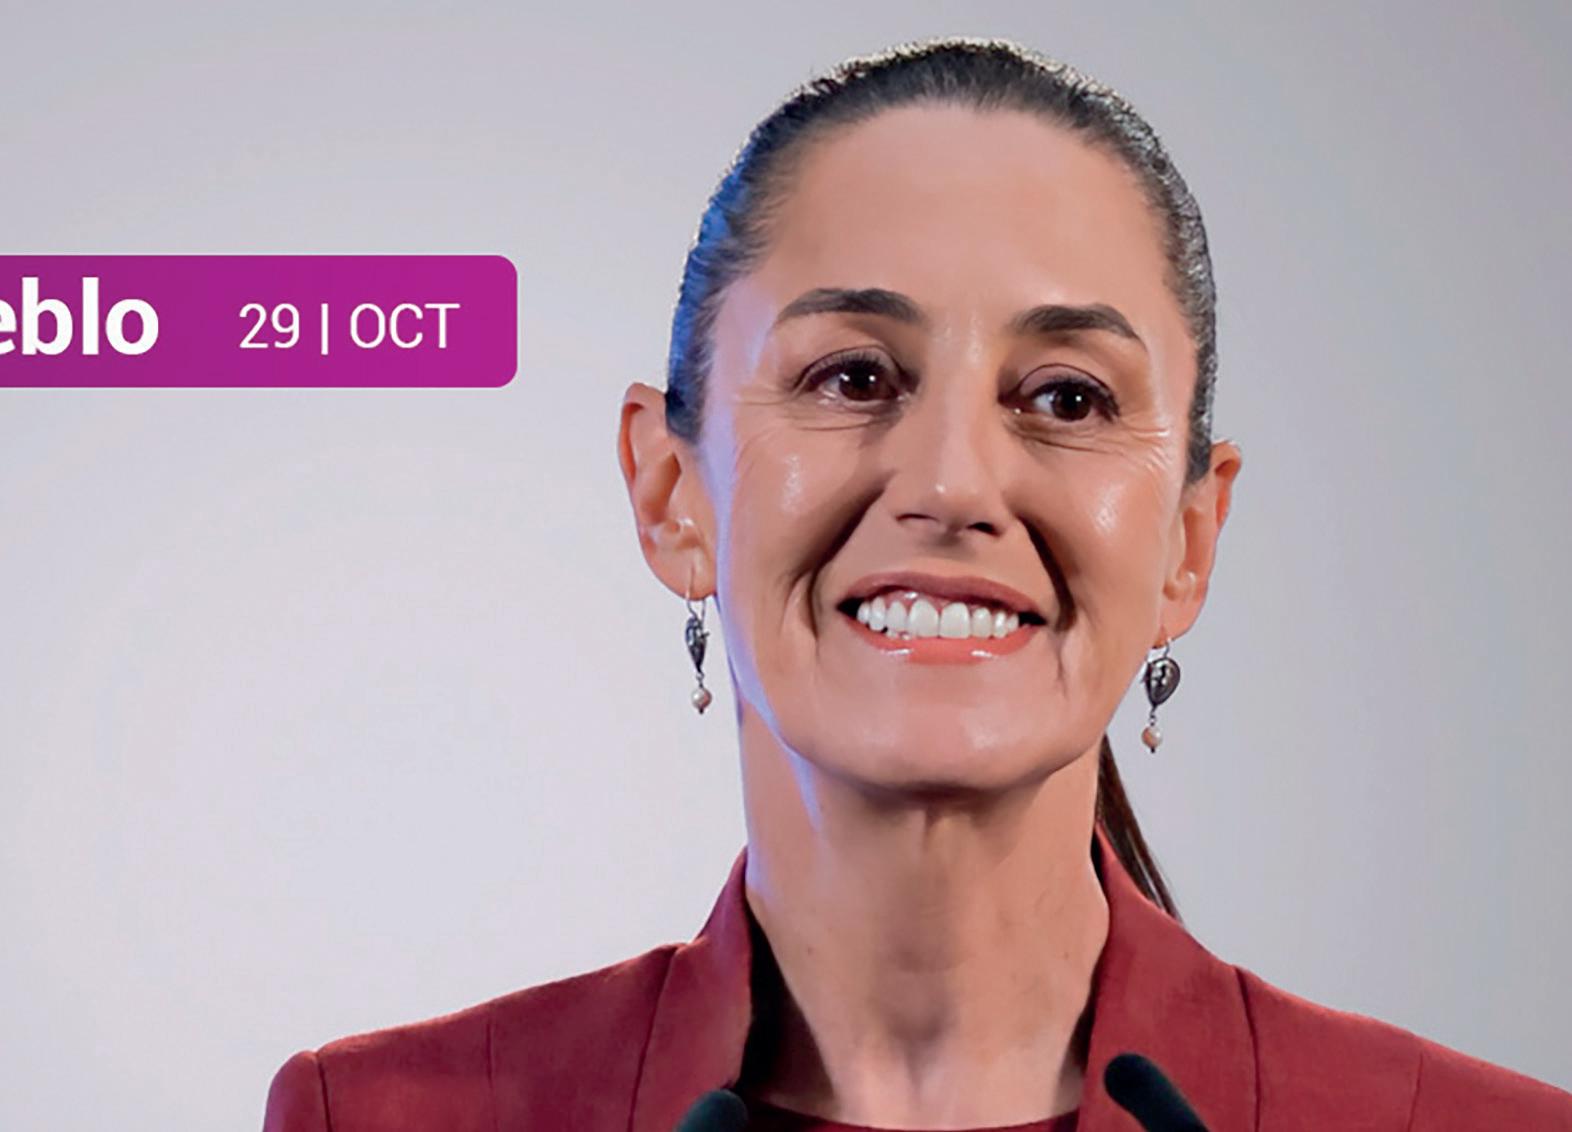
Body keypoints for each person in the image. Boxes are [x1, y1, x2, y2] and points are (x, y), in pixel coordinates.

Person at [262, 36, 1572, 1131]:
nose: (952, 482)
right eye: (853, 377)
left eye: (1068, 398)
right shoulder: (379, 1117)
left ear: (1190, 540)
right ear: (670, 495)